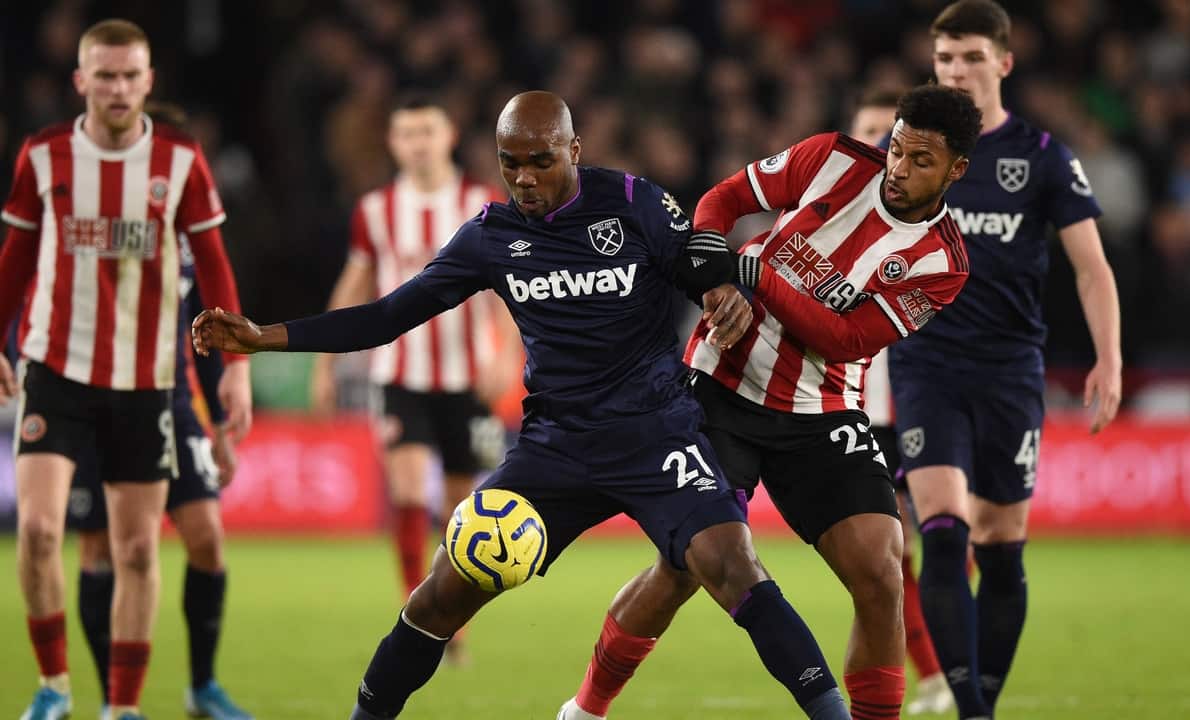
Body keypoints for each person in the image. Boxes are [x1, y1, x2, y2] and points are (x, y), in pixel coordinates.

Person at [194, 90, 855, 720]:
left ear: (575, 148)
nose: (526, 178)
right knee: (443, 590)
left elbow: (699, 260)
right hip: (555, 449)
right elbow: (389, 315)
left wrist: (718, 287)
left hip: (657, 436)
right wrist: (266, 337)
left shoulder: (633, 203)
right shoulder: (490, 236)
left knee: (732, 564)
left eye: (542, 161)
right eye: (512, 163)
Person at [557, 83, 981, 720]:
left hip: (823, 410)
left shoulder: (942, 261)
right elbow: (722, 201)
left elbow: (846, 339)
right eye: (896, 148)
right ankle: (585, 711)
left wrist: (753, 274)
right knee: (683, 569)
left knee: (881, 573)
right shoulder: (832, 159)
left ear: (957, 169)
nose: (898, 169)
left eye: (921, 160)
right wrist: (712, 276)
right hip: (721, 386)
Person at [0, 19, 251, 720]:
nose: (116, 87)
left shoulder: (181, 160)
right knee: (42, 533)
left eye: (129, 75)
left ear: (149, 82)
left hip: (146, 381)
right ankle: (53, 688)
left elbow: (216, 266)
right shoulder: (44, 156)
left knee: (139, 550)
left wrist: (235, 366)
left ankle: (123, 708)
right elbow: (16, 257)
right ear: (80, 81)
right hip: (56, 367)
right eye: (103, 75)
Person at [888, 2, 1122, 718]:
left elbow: (1091, 268)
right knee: (941, 526)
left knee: (1000, 544)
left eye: (971, 58)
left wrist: (1109, 359)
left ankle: (980, 697)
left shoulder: (1041, 157)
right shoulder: (909, 155)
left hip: (1010, 370)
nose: (957, 71)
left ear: (1003, 64)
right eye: (945, 59)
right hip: (926, 362)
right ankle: (972, 708)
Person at [311, 95, 519, 644]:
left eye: (427, 130)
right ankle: (417, 613)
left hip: (468, 375)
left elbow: (506, 285)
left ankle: (449, 612)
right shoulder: (375, 211)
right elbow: (353, 287)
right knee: (406, 494)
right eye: (407, 133)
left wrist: (506, 352)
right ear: (393, 142)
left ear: (449, 134)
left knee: (458, 505)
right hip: (399, 373)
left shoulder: (483, 203)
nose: (418, 143)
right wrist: (325, 364)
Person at [68, 224, 253, 719]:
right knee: (101, 547)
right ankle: (116, 698)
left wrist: (218, 423)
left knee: (207, 539)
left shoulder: (183, 232)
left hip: (169, 399)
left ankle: (202, 685)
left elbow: (203, 328)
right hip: (93, 401)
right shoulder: (89, 216)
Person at [849, 87, 953, 716]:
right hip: (858, 411)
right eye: (865, 135)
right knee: (890, 555)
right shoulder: (826, 208)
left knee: (939, 545)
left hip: (919, 403)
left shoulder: (933, 227)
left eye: (880, 134)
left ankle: (944, 666)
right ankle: (932, 672)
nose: (875, 150)